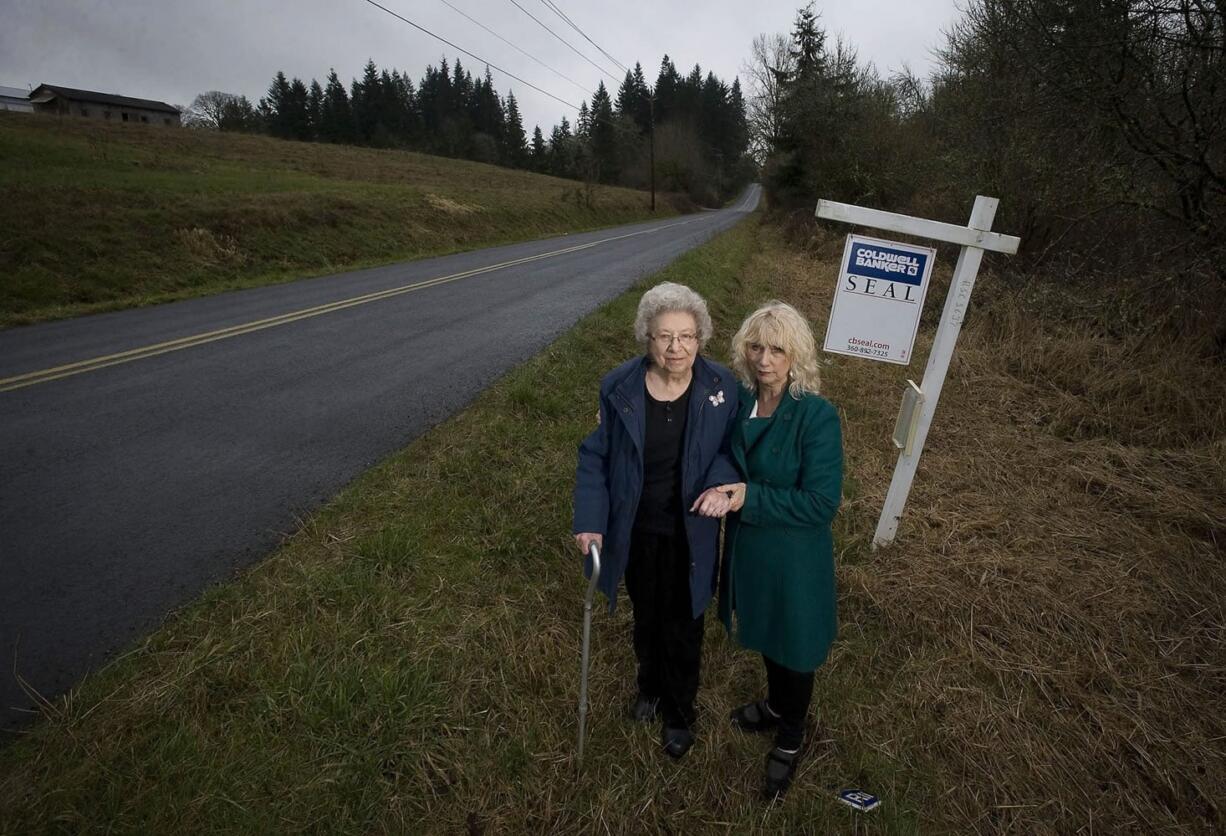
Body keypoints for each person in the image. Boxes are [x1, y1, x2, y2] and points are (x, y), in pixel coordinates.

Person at [572, 281, 740, 759]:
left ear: (700, 337)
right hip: (638, 528)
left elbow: (732, 449)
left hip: (692, 530)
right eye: (664, 336)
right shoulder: (619, 386)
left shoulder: (722, 387)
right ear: (647, 337)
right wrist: (590, 520)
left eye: (686, 336)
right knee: (646, 616)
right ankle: (649, 687)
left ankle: (680, 713)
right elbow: (595, 457)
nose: (675, 348)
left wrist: (720, 485)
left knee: (684, 622)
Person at [713, 301, 843, 799]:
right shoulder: (740, 402)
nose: (763, 359)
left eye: (777, 349)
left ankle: (791, 736)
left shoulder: (814, 414)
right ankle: (774, 705)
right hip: (751, 549)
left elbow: (821, 503)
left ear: (796, 356)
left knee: (796, 647)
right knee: (767, 631)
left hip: (794, 557)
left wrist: (750, 497)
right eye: (755, 346)